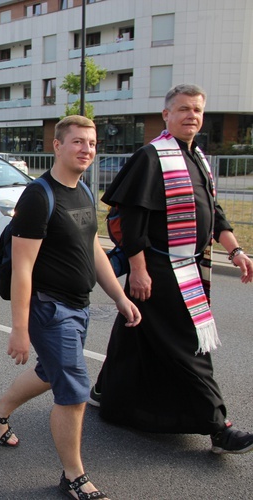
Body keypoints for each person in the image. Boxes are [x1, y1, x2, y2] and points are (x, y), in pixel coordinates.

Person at [0, 116, 140, 500]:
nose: (86, 149)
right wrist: (19, 328)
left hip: (79, 306)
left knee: (52, 373)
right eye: (78, 142)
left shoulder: (83, 191)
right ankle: (73, 475)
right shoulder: (38, 196)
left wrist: (119, 296)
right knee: (73, 390)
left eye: (92, 143)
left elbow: (94, 249)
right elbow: (22, 268)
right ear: (57, 146)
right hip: (50, 310)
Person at [92, 84, 253, 454]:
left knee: (136, 331)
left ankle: (106, 393)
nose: (191, 116)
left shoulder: (198, 157)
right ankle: (218, 426)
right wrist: (138, 269)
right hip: (160, 267)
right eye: (182, 109)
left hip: (189, 264)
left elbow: (214, 213)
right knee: (188, 345)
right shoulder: (153, 156)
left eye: (196, 109)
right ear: (166, 114)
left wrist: (236, 250)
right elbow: (132, 218)